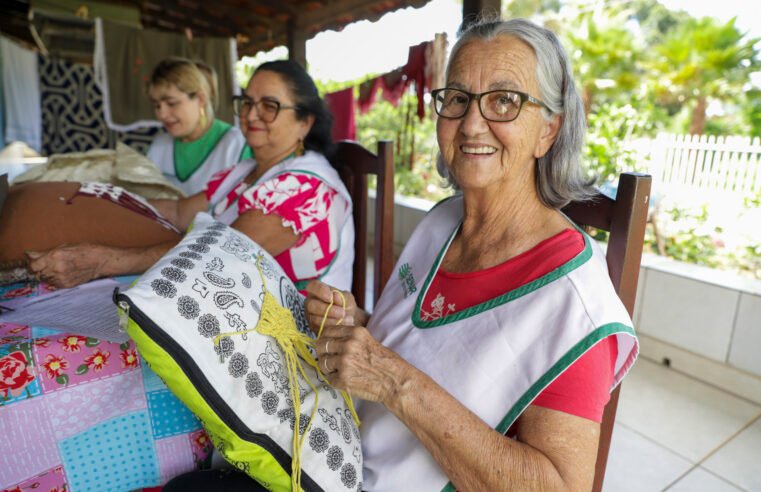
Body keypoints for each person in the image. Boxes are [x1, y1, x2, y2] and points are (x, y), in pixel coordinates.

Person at [302, 18, 638, 491]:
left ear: (548, 131)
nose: (472, 123)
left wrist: (392, 380)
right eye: (457, 99)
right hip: (337, 454)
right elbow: (427, 342)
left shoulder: (572, 301)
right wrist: (358, 328)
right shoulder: (442, 222)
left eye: (505, 100)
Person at [27, 60, 354, 293]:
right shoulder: (244, 172)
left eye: (269, 105)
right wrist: (98, 201)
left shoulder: (307, 189)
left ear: (305, 122)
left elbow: (219, 251)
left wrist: (104, 261)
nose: (251, 115)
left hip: (292, 347)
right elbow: (180, 212)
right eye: (247, 102)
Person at [146, 57, 251, 195]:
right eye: (157, 105)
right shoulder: (159, 146)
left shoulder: (235, 146)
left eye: (172, 103)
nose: (162, 114)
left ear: (201, 99)